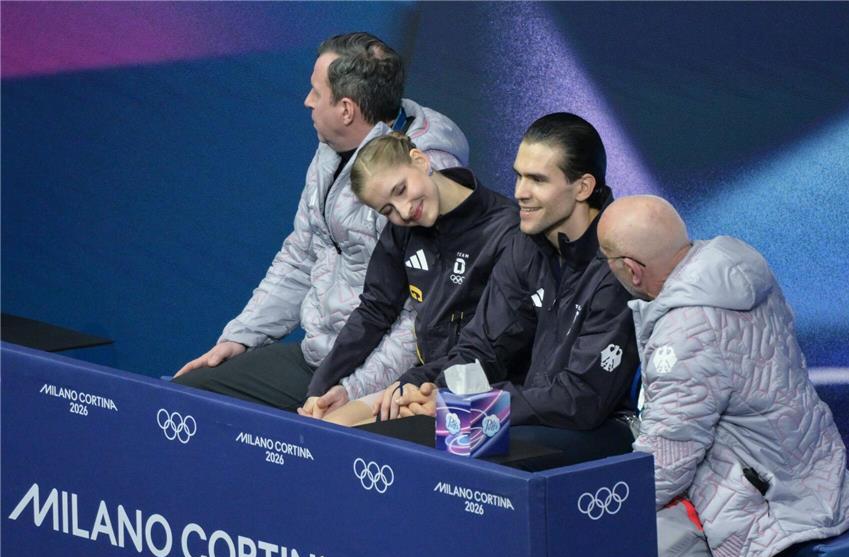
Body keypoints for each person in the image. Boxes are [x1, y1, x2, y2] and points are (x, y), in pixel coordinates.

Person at [596, 195, 849, 557]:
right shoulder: (732, 272)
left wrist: (608, 505)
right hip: (808, 467)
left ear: (631, 269)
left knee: (625, 544)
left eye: (606, 261)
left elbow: (667, 459)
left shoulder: (686, 332)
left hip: (770, 500)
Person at [172, 32, 468, 410]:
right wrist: (242, 337)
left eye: (316, 92)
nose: (307, 101)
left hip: (390, 379)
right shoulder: (330, 149)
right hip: (323, 356)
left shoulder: (421, 179)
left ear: (346, 109)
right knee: (192, 393)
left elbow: (421, 318)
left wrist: (351, 393)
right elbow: (302, 255)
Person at [391, 113, 640, 469]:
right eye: (518, 175)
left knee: (460, 440)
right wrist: (429, 385)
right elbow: (483, 347)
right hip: (535, 412)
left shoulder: (616, 262)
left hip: (604, 426)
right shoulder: (526, 245)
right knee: (410, 427)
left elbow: (582, 399)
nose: (520, 192)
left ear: (583, 188)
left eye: (537, 180)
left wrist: (474, 405)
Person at [296, 131, 519, 423]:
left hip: (482, 391)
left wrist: (413, 384)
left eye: (400, 190)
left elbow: (490, 348)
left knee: (343, 428)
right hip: (425, 383)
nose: (403, 211)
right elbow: (375, 310)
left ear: (420, 160)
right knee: (326, 421)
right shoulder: (403, 230)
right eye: (387, 210)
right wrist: (321, 387)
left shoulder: (506, 230)